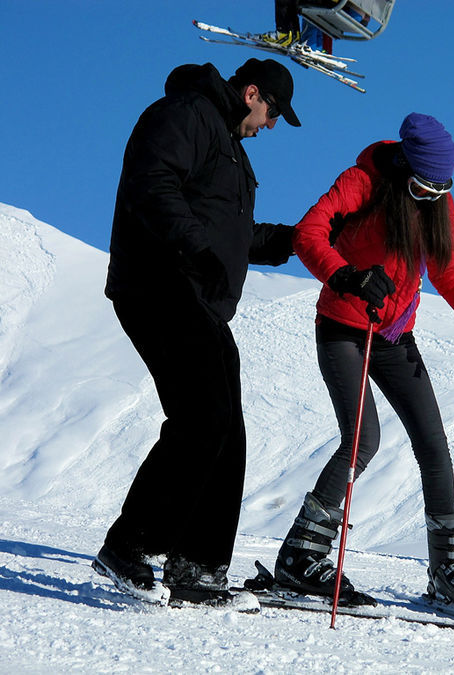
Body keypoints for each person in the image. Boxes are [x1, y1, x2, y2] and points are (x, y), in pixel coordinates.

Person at [271, 112, 454, 613]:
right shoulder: (362, 182)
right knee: (362, 439)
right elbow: (308, 233)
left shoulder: (437, 200)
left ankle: (446, 569)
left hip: (395, 337)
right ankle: (300, 555)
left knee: (434, 446)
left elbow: (447, 266)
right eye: (422, 186)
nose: (430, 196)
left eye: (440, 189)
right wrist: (346, 276)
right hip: (343, 328)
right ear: (404, 166)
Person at [94, 58, 302, 609]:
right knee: (202, 418)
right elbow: (151, 181)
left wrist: (286, 239)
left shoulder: (230, 148)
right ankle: (130, 544)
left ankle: (200, 567)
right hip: (159, 283)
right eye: (273, 110)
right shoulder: (187, 114)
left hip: (197, 297)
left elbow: (227, 232)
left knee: (226, 430)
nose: (272, 124)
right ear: (251, 92)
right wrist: (196, 248)